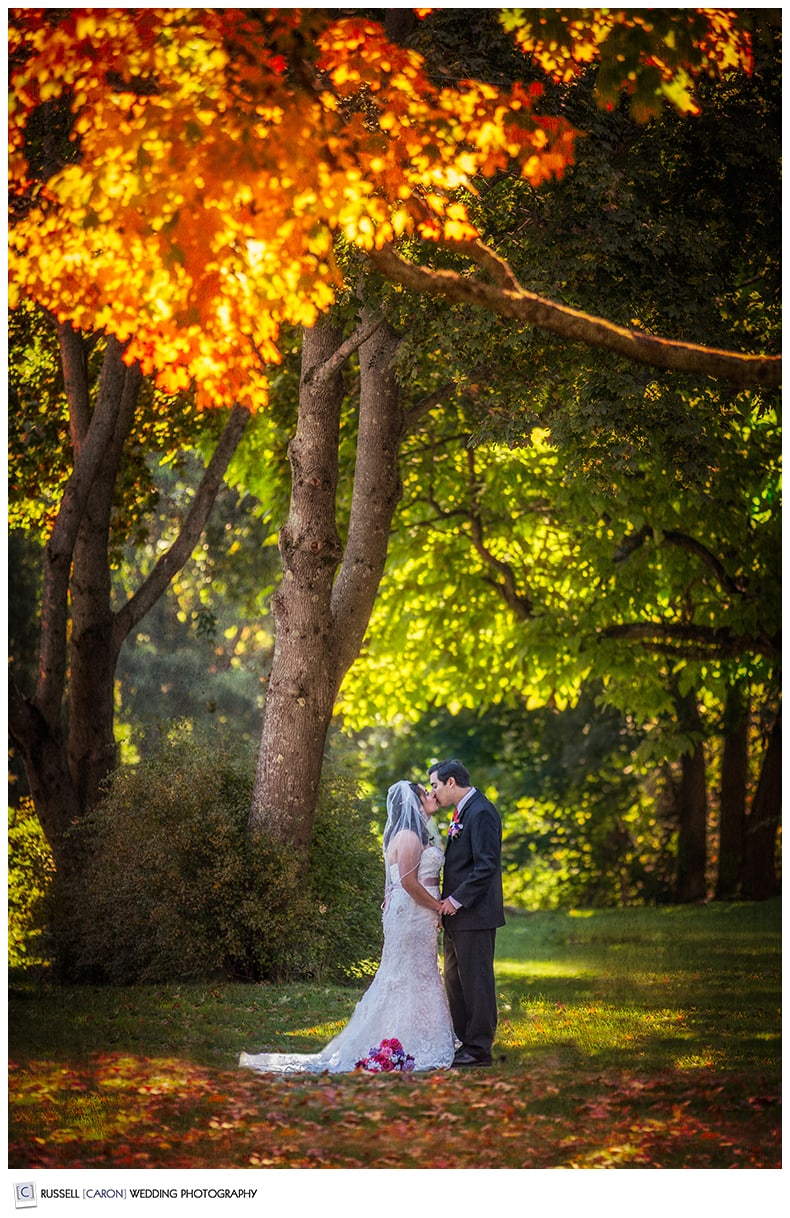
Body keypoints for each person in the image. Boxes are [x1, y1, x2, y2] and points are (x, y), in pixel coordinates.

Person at [239, 780, 456, 1074]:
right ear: (415, 802)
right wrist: (437, 906)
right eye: (425, 791)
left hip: (418, 916)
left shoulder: (420, 834)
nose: (432, 793)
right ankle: (407, 1039)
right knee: (406, 974)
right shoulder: (408, 836)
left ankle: (417, 1034)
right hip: (412, 914)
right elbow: (406, 882)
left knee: (419, 972)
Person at [429, 759, 505, 1068]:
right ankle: (464, 1041)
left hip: (474, 913)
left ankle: (479, 1048)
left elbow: (486, 864)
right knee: (456, 980)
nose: (434, 792)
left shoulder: (482, 811)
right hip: (457, 916)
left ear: (450, 782)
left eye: (435, 785)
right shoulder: (463, 811)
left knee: (476, 981)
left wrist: (457, 900)